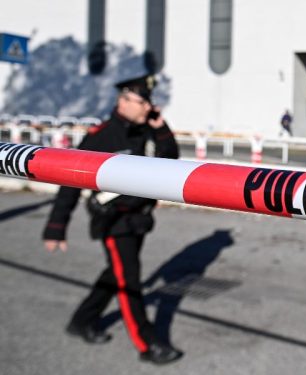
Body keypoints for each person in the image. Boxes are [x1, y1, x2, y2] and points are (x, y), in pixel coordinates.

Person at [42, 74, 183, 365]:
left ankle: (83, 320)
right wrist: (56, 227)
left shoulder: (145, 129)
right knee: (129, 280)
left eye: (148, 102)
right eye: (142, 102)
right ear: (123, 100)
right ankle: (149, 343)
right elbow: (70, 179)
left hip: (138, 220)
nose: (148, 108)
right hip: (114, 221)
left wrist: (162, 129)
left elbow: (170, 164)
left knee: (115, 274)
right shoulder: (101, 136)